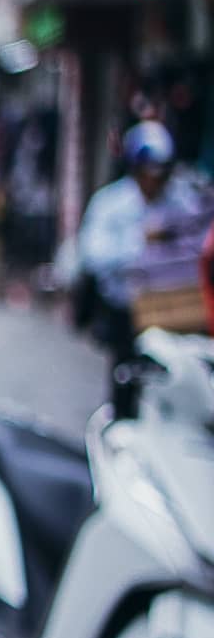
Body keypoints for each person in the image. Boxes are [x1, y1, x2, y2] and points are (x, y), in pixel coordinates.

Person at [77, 121, 198, 417]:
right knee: (127, 381)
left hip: (174, 310)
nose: (155, 181)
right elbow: (92, 254)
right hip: (126, 310)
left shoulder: (181, 200)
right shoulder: (111, 203)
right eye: (149, 173)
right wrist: (141, 241)